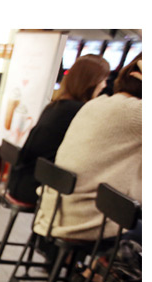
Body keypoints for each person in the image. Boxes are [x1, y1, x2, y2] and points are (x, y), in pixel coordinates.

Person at [33, 53, 141, 241]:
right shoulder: (136, 112)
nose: (104, 84)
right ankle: (101, 261)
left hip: (56, 211)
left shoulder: (97, 103)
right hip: (89, 221)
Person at [6, 54, 110, 206]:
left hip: (18, 181)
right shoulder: (80, 111)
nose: (104, 85)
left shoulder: (55, 105)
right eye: (103, 79)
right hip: (37, 188)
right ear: (92, 82)